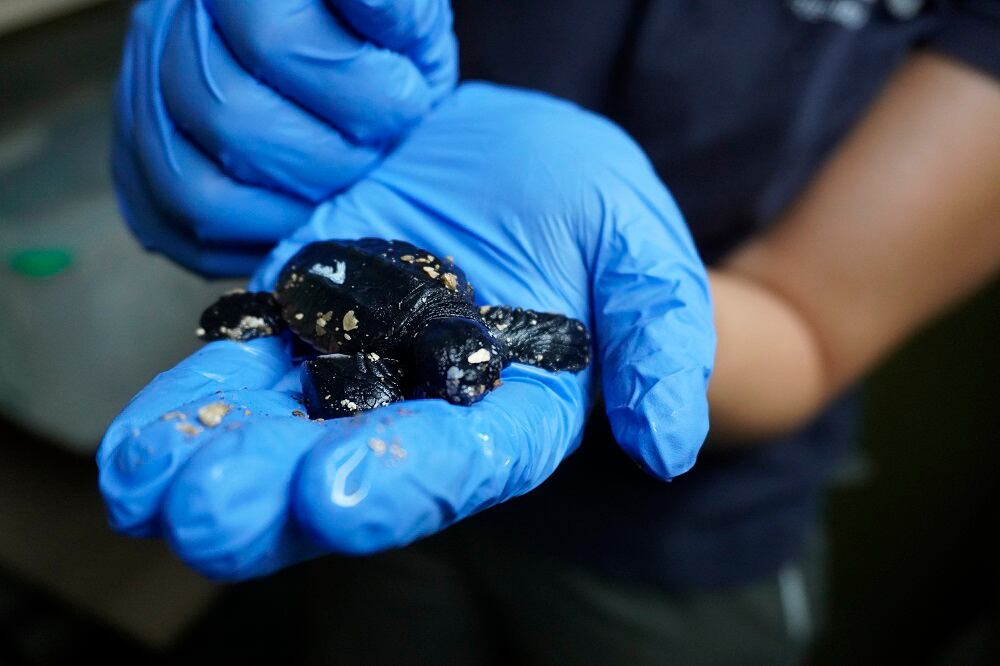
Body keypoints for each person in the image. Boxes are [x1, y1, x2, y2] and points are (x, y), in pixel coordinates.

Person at [99, 0, 1000, 663]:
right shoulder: (404, 346)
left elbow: (812, 324)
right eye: (471, 361)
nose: (471, 376)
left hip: (676, 542)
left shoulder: (483, 327)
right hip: (388, 505)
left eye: (476, 361)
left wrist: (601, 290)